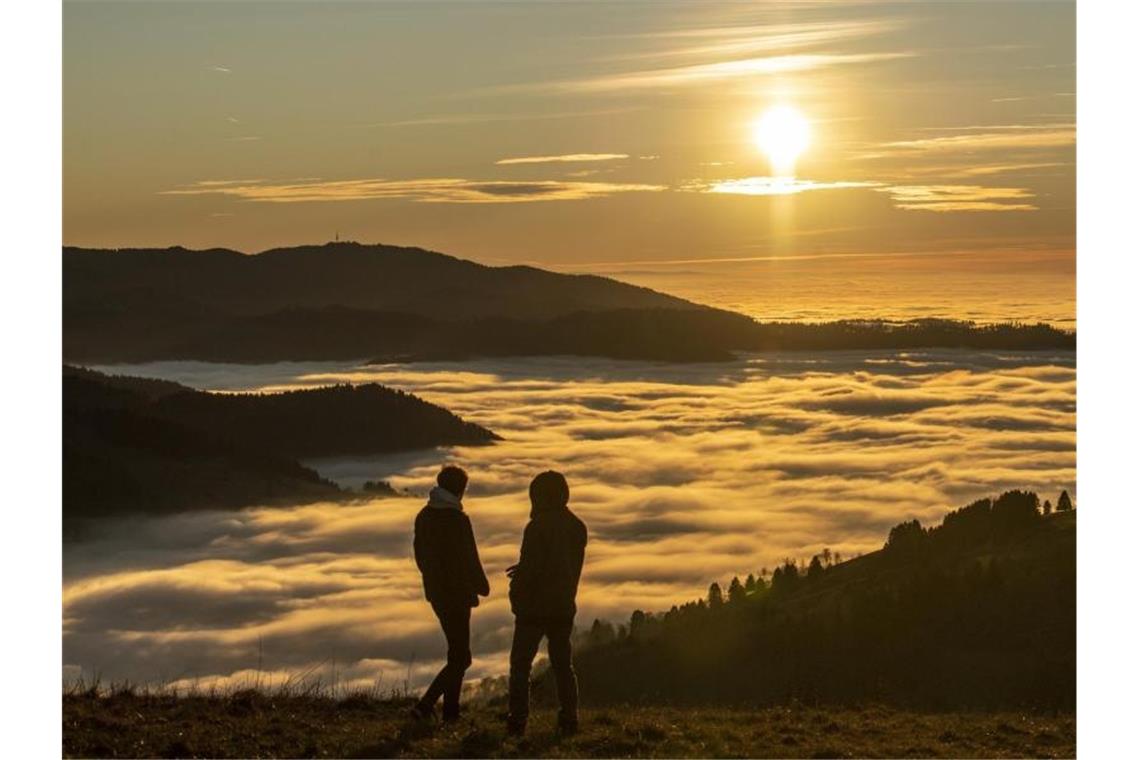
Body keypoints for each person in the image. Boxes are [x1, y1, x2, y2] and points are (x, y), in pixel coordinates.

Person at [506, 470, 588, 736]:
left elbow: (532, 569)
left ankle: (517, 721)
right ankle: (569, 718)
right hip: (563, 606)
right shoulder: (577, 526)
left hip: (534, 608)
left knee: (520, 665)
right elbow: (563, 566)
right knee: (563, 665)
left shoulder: (537, 526)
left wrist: (515, 594)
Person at [411, 465, 489, 722]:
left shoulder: (423, 516)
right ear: (460, 490)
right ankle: (426, 705)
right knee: (461, 657)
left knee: (456, 653)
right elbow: (469, 558)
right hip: (457, 595)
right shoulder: (457, 519)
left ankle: (450, 713)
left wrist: (432, 582)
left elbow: (420, 556)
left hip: (436, 594)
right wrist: (482, 585)